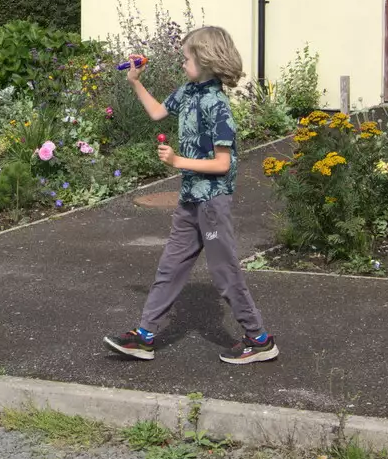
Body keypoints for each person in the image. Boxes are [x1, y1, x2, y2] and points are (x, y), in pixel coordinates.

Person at [104, 26, 278, 365]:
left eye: (186, 59)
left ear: (207, 61)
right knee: (170, 267)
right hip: (190, 199)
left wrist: (176, 161)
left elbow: (223, 164)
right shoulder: (188, 92)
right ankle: (144, 336)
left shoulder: (218, 106)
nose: (182, 64)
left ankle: (259, 339)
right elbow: (157, 112)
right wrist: (135, 81)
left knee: (225, 273)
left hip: (212, 201)